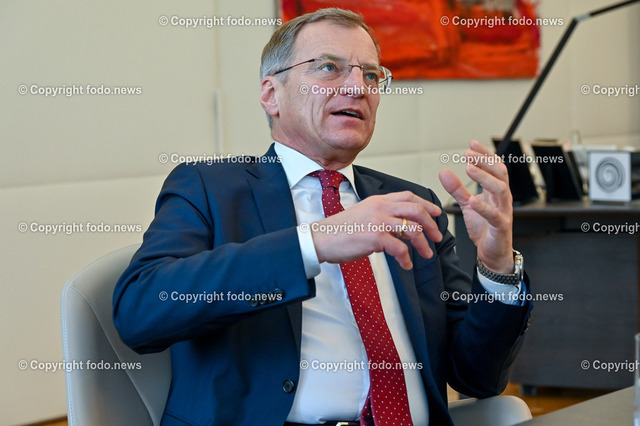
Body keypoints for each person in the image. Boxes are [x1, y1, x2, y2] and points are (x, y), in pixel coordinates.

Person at [113, 8, 532, 426]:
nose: (357, 88)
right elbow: (140, 311)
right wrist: (313, 243)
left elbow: (477, 376)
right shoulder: (211, 189)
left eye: (371, 75)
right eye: (329, 68)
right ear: (271, 94)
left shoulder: (411, 205)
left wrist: (496, 268)